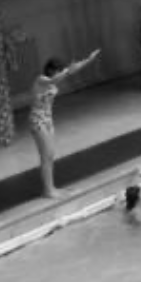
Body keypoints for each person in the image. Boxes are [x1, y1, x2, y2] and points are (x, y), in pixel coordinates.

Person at [30, 49, 102, 197]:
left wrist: (88, 60)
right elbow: (55, 80)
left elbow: (68, 73)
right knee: (46, 155)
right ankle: (48, 190)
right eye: (58, 71)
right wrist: (68, 70)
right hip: (38, 121)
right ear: (51, 70)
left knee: (50, 155)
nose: (60, 74)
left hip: (48, 120)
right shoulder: (41, 79)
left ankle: (51, 188)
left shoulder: (53, 78)